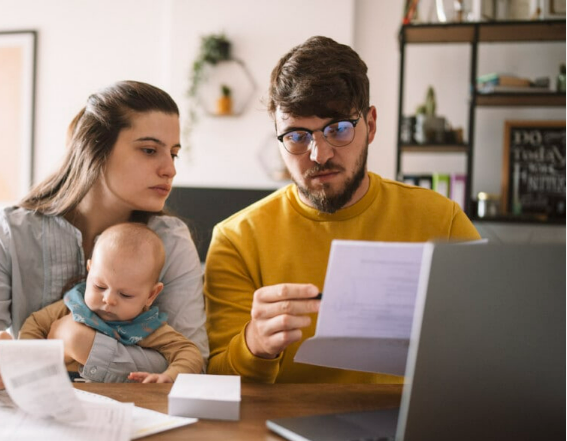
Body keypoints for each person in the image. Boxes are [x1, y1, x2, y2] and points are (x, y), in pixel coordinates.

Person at [204, 36, 480, 384]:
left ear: (372, 125)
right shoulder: (236, 240)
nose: (319, 155)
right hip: (280, 431)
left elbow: (492, 347)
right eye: (297, 136)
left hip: (408, 426)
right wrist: (255, 344)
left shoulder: (443, 220)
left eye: (338, 129)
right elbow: (216, 383)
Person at [0, 81, 208, 394]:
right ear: (95, 150)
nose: (170, 169)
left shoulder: (171, 241)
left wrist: (82, 344)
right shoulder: (10, 231)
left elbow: (194, 360)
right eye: (149, 150)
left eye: (173, 153)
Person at [19, 222, 203, 383]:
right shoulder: (74, 305)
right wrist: (29, 364)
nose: (109, 299)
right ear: (90, 271)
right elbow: (34, 324)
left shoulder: (146, 326)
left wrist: (170, 375)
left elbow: (190, 353)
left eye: (125, 295)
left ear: (151, 295)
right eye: (99, 286)